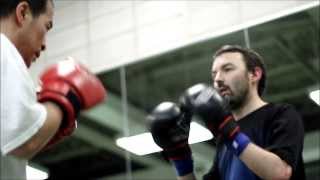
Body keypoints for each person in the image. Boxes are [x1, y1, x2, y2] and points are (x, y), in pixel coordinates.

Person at [148, 45, 305, 180]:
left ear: (254, 74)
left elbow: (281, 173)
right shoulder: (225, 138)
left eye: (227, 69)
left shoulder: (282, 114)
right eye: (214, 74)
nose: (218, 79)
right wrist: (180, 158)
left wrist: (230, 133)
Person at [0, 0, 106, 179]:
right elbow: (25, 143)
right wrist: (64, 100)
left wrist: (46, 128)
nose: (44, 45)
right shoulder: (4, 50)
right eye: (46, 27)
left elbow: (11, 144)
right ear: (23, 13)